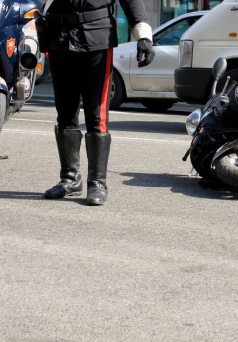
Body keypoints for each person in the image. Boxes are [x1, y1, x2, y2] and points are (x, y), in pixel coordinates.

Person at [42, 0, 154, 205]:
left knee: (96, 114)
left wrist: (144, 37)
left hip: (97, 38)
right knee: (65, 113)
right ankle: (69, 179)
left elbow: (132, 2)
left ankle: (97, 182)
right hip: (59, 37)